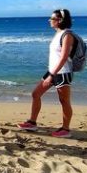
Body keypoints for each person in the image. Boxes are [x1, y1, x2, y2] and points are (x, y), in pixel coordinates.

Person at [18, 9, 75, 138]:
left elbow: (64, 57)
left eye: (52, 18)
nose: (49, 20)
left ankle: (66, 129)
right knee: (36, 94)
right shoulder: (58, 34)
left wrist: (52, 75)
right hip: (52, 71)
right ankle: (32, 122)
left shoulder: (67, 35)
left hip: (62, 72)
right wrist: (51, 73)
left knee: (64, 101)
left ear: (60, 20)